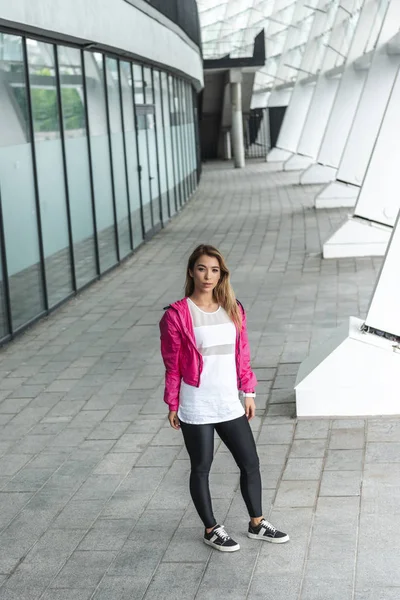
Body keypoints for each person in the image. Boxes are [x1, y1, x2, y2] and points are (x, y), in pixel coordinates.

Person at [159, 244, 289, 552]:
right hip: (197, 402)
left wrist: (249, 391)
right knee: (201, 467)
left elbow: (242, 354)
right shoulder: (177, 315)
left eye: (215, 270)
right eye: (202, 268)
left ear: (222, 274)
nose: (208, 276)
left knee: (250, 462)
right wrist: (173, 404)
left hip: (229, 400)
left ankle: (257, 524)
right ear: (191, 271)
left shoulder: (233, 307)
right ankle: (211, 529)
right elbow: (172, 365)